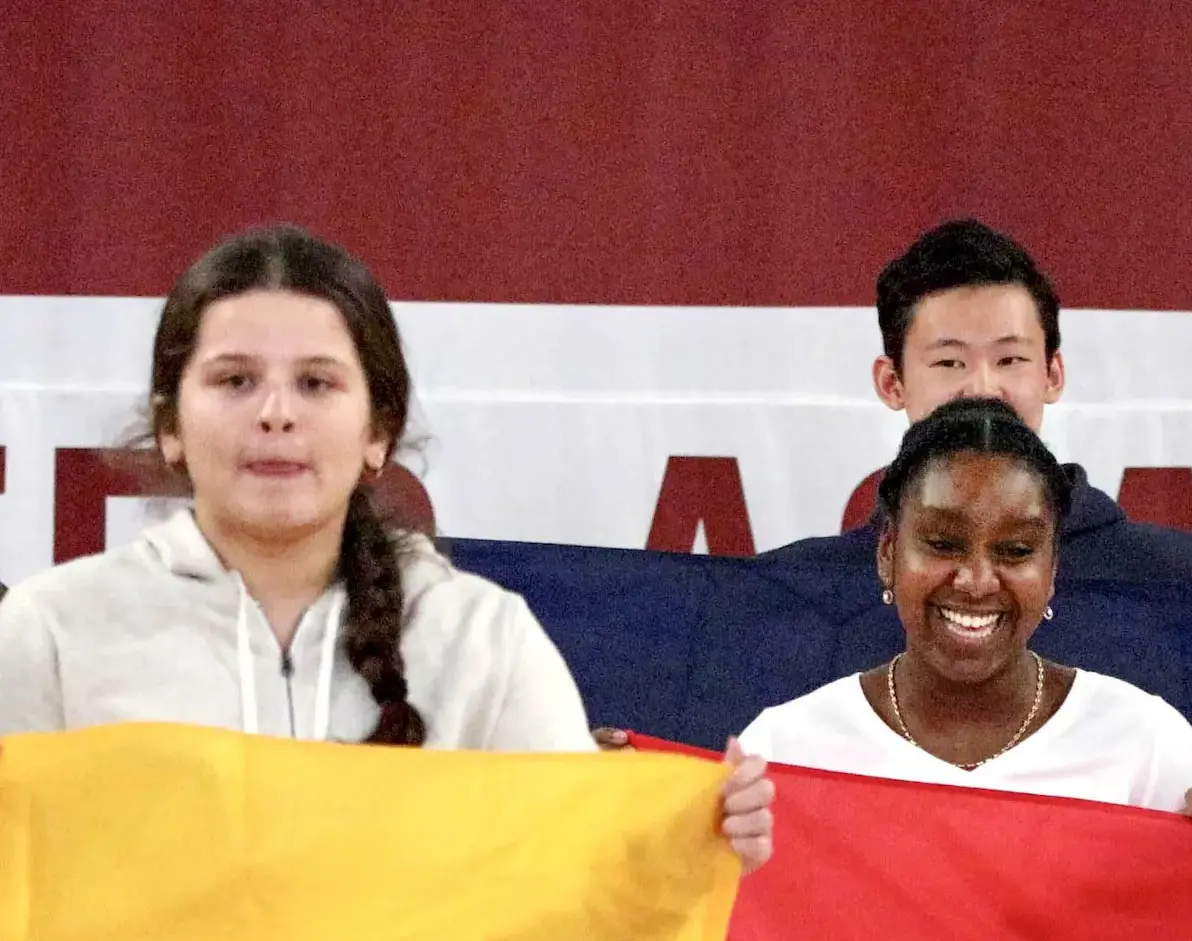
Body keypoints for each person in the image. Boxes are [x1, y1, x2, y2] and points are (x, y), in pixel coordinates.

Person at [0, 224, 772, 869]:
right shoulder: (50, 630)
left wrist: (684, 845)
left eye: (317, 383)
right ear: (171, 424)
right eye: (234, 381)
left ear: (378, 431)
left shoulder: (483, 637)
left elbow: (568, 890)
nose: (275, 414)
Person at [741, 397, 1192, 828]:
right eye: (943, 544)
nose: (977, 581)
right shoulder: (784, 751)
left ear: (1052, 571)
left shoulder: (1145, 746)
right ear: (887, 555)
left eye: (1015, 551)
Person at [759, 218, 1192, 583]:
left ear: (1053, 374)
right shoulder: (799, 591)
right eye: (949, 363)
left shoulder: (1182, 582)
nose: (981, 389)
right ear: (892, 383)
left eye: (1010, 360)